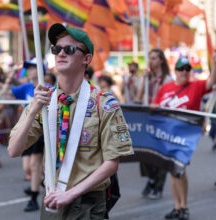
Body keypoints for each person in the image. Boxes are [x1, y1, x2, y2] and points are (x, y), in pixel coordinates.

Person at [8, 23, 133, 219]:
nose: (61, 54)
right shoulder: (44, 100)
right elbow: (13, 150)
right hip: (52, 199)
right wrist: (33, 111)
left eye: (70, 49)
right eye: (57, 49)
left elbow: (111, 164)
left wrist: (70, 194)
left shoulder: (103, 103)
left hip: (86, 202)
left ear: (86, 59)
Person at [152, 49, 216, 220]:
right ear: (175, 71)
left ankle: (184, 207)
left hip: (185, 138)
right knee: (173, 170)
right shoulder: (166, 88)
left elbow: (212, 80)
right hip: (166, 136)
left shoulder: (196, 86)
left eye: (187, 69)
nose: (184, 72)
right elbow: (154, 106)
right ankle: (177, 207)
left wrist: (215, 62)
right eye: (181, 69)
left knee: (179, 169)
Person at [2, 59, 46, 212]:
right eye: (30, 68)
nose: (31, 71)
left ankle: (34, 199)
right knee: (27, 168)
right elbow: (4, 93)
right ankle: (44, 183)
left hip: (40, 130)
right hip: (25, 128)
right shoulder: (26, 87)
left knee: (34, 166)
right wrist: (9, 77)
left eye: (34, 68)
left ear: (41, 70)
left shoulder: (48, 88)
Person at [137, 49, 173, 200]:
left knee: (160, 155)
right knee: (143, 153)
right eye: (150, 58)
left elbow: (170, 101)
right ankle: (151, 179)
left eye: (154, 58)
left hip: (161, 120)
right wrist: (143, 79)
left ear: (161, 60)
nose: (151, 61)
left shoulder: (168, 79)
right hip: (146, 119)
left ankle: (158, 185)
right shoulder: (147, 78)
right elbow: (138, 97)